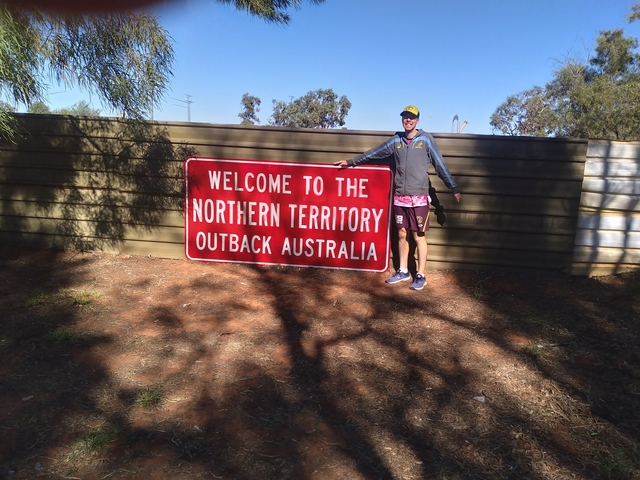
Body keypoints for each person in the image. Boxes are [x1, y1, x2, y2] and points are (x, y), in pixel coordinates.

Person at [335, 105, 461, 290]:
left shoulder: (426, 139)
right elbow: (374, 153)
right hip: (400, 197)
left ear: (417, 120)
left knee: (418, 236)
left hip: (419, 197)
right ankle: (403, 271)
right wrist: (351, 162)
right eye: (405, 117)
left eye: (411, 117)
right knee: (402, 234)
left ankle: (421, 275)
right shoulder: (397, 140)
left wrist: (453, 187)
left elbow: (439, 164)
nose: (408, 120)